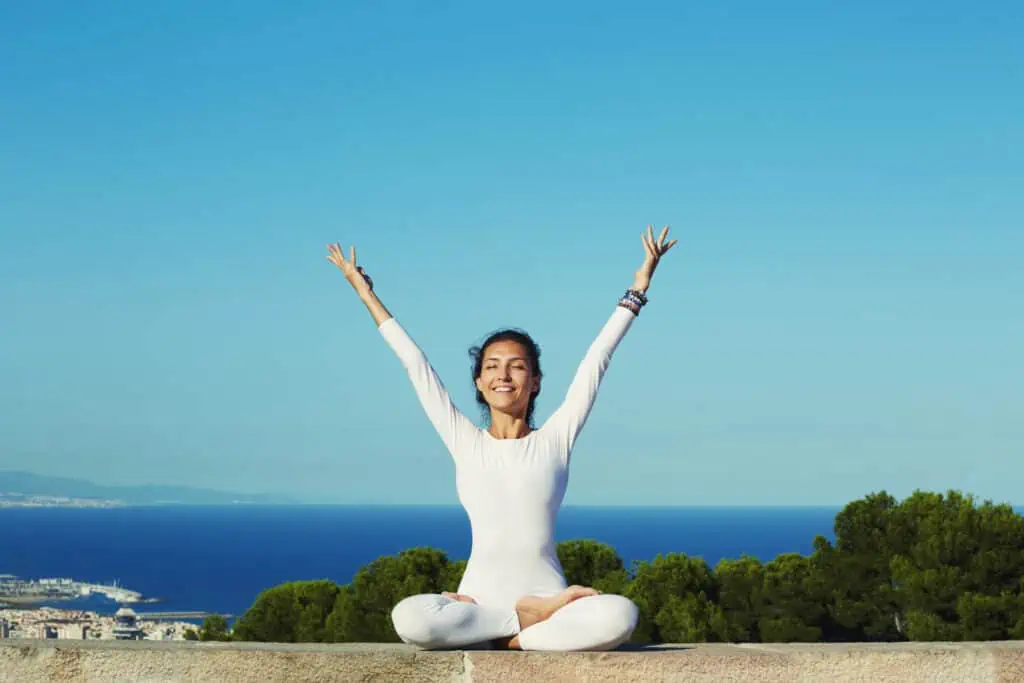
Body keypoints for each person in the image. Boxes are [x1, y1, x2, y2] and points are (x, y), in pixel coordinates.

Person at [326, 226, 677, 651]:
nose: (503, 375)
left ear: (535, 382)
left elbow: (595, 360)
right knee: (410, 619)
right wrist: (365, 294)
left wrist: (638, 289)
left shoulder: (555, 439)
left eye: (516, 366)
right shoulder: (465, 441)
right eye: (492, 366)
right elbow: (415, 364)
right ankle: (516, 624)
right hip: (478, 603)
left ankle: (512, 635)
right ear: (479, 381)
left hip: (552, 600)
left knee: (620, 615)